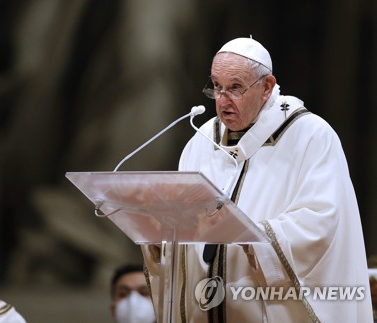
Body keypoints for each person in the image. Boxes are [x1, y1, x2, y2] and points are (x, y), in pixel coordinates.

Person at [141, 37, 373, 322]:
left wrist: (256, 236)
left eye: (235, 88)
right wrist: (159, 237)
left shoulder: (310, 136)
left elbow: (323, 221)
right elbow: (183, 223)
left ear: (267, 87)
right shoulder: (201, 141)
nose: (222, 100)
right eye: (216, 87)